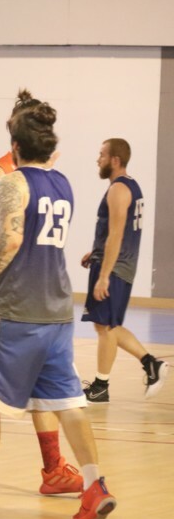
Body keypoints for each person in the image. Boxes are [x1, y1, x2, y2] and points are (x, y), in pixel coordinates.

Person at [0, 95, 116, 519]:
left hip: (17, 310)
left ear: (15, 146)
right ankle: (94, 486)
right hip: (58, 310)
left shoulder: (12, 182)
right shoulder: (64, 184)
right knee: (69, 403)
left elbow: (12, 239)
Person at [0, 92, 82, 495]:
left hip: (33, 286)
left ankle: (54, 467)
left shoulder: (40, 173)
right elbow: (9, 234)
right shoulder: (4, 173)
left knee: (44, 380)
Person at [80, 138, 168, 403]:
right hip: (119, 265)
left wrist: (104, 275)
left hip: (115, 268)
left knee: (106, 327)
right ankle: (147, 365)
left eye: (102, 155)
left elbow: (117, 235)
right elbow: (118, 231)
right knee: (106, 325)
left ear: (115, 160)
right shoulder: (132, 185)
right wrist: (96, 251)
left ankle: (105, 384)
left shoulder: (118, 189)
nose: (98, 159)